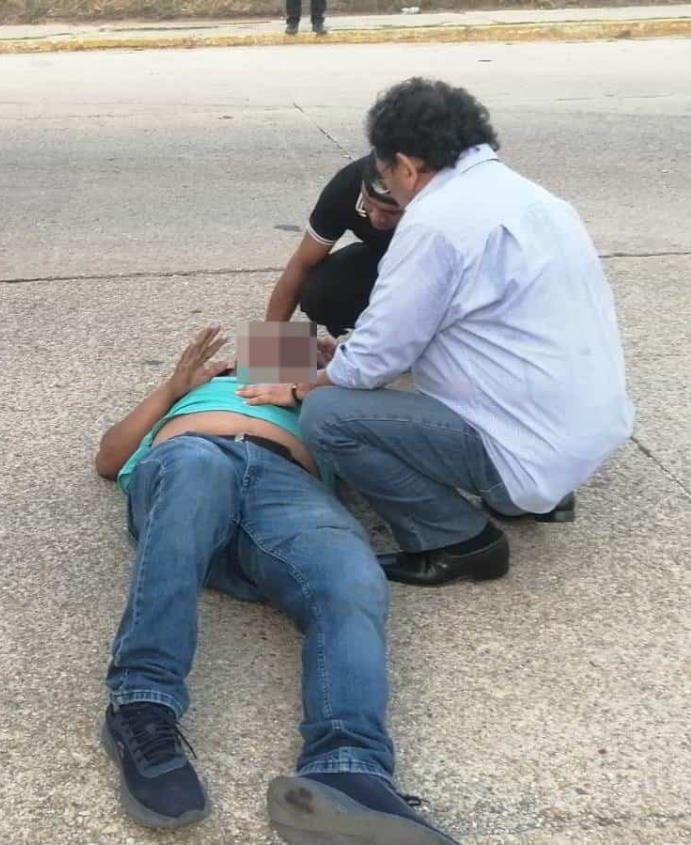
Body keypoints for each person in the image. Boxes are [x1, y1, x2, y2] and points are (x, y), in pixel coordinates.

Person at [249, 78, 633, 587]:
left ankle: (454, 540)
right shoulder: (536, 198)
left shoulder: (434, 221)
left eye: (389, 174)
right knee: (352, 376)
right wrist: (342, 354)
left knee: (328, 414)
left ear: (406, 166)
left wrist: (298, 384)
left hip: (525, 442)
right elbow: (466, 325)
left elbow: (370, 366)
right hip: (582, 434)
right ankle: (520, 497)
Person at [94, 326, 458, 845]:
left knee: (353, 577)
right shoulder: (202, 386)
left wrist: (337, 376)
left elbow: (391, 431)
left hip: (289, 490)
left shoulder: (319, 399)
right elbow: (108, 459)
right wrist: (171, 390)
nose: (287, 346)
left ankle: (347, 770)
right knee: (197, 469)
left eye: (303, 345)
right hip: (193, 458)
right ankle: (141, 703)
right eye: (272, 341)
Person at [266, 154, 402, 332]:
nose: (377, 218)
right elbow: (302, 263)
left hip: (432, 273)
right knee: (319, 291)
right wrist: (266, 347)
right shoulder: (347, 184)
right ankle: (351, 340)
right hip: (382, 257)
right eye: (369, 205)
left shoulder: (440, 209)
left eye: (390, 213)